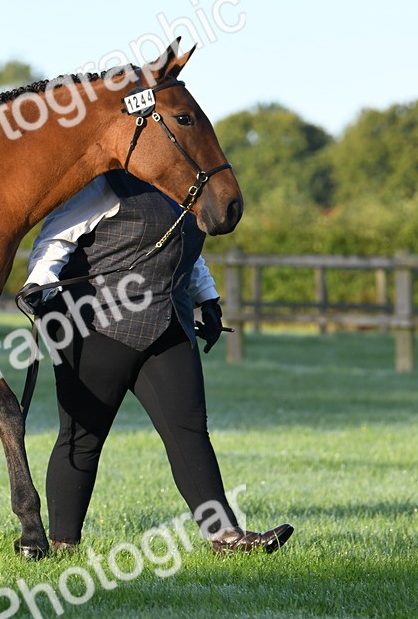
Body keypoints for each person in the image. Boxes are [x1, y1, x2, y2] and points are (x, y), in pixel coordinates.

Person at [17, 169, 293, 554]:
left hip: (169, 327)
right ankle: (63, 543)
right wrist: (39, 282)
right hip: (98, 327)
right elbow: (57, 237)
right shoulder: (106, 185)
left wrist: (208, 299)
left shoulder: (184, 190)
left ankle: (226, 537)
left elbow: (186, 252)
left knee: (189, 432)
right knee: (82, 438)